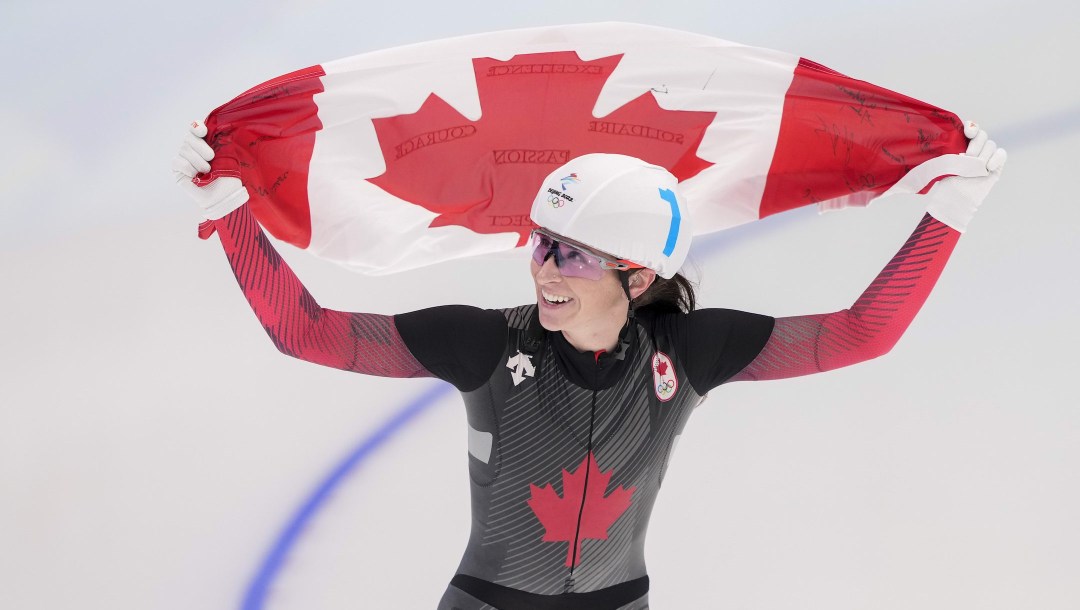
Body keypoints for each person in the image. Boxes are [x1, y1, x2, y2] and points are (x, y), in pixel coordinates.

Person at [174, 120, 1005, 610]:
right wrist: (234, 216)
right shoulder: (488, 343)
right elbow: (308, 331)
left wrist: (951, 214)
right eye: (542, 245)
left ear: (637, 276)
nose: (542, 269)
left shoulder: (688, 352)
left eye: (572, 256)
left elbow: (860, 333)